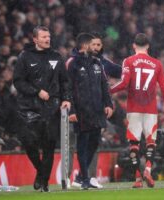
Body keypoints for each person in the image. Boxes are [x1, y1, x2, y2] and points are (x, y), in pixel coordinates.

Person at [110, 33, 164, 188]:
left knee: (134, 143)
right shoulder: (157, 64)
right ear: (148, 46)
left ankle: (138, 177)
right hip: (150, 109)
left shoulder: (129, 61)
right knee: (151, 142)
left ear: (134, 46)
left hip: (134, 109)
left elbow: (124, 83)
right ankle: (148, 169)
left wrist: (109, 91)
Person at [13, 26, 72, 192]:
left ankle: (44, 182)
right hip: (29, 108)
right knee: (29, 143)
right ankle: (41, 171)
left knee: (49, 146)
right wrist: (37, 91)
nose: (48, 39)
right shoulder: (25, 57)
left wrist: (66, 99)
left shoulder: (56, 56)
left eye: (49, 36)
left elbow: (65, 81)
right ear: (35, 39)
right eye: (44, 37)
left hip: (51, 108)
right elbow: (18, 81)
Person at [66, 33, 113, 190]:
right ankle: (85, 178)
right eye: (92, 44)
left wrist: (108, 104)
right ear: (85, 46)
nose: (94, 48)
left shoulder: (96, 63)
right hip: (81, 111)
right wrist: (71, 110)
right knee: (82, 143)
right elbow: (68, 88)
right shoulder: (72, 63)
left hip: (97, 110)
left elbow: (103, 85)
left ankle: (80, 177)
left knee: (94, 142)